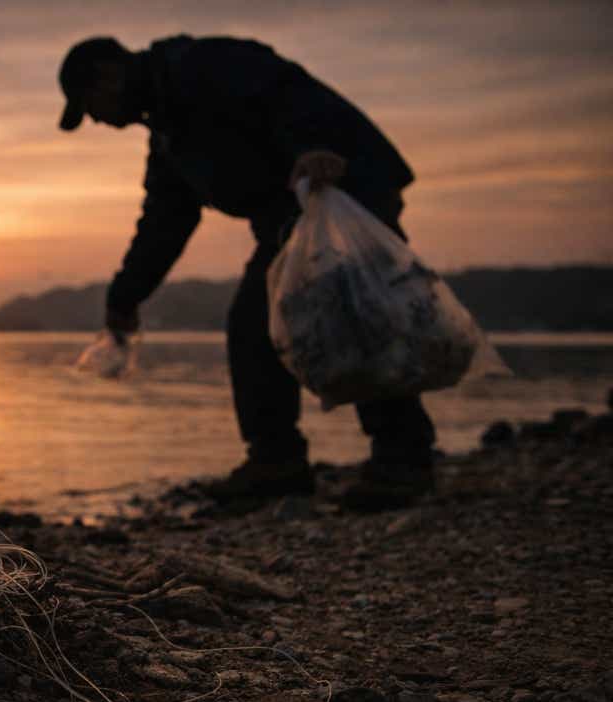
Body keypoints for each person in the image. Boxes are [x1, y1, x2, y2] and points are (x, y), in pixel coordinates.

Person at [57, 35, 436, 508]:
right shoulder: (170, 138)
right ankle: (277, 461)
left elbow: (284, 90)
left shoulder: (200, 65)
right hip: (290, 217)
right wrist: (124, 297)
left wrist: (313, 146)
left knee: (358, 314)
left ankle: (403, 458)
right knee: (254, 325)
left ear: (108, 75)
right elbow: (163, 224)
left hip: (345, 188)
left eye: (90, 107)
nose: (97, 120)